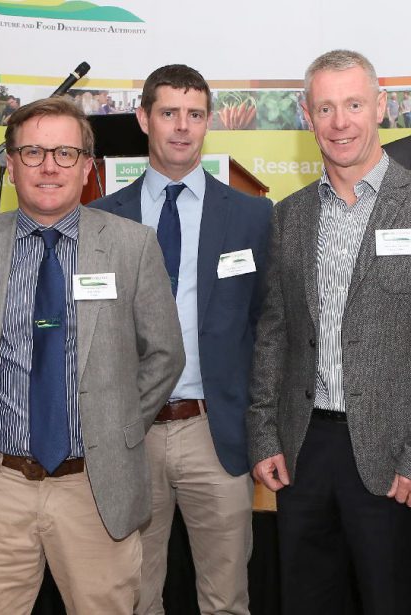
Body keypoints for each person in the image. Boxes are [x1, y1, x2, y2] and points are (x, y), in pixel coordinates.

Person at [0, 96, 185, 613]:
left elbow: (163, 354)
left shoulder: (132, 246)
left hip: (95, 488)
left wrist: (110, 424)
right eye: (32, 152)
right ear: (10, 161)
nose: (49, 165)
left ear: (88, 166)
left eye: (65, 153)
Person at [90, 64, 272, 615]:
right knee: (134, 596)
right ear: (144, 118)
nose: (182, 127)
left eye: (195, 115)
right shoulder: (100, 218)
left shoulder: (251, 216)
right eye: (169, 113)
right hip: (131, 433)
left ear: (209, 122)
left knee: (225, 599)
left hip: (214, 434)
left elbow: (268, 328)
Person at [247, 49, 411, 615]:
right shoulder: (289, 215)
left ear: (382, 107)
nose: (340, 122)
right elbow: (274, 333)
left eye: (354, 105)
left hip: (392, 454)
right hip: (304, 448)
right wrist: (264, 433)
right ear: (306, 115)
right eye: (326, 108)